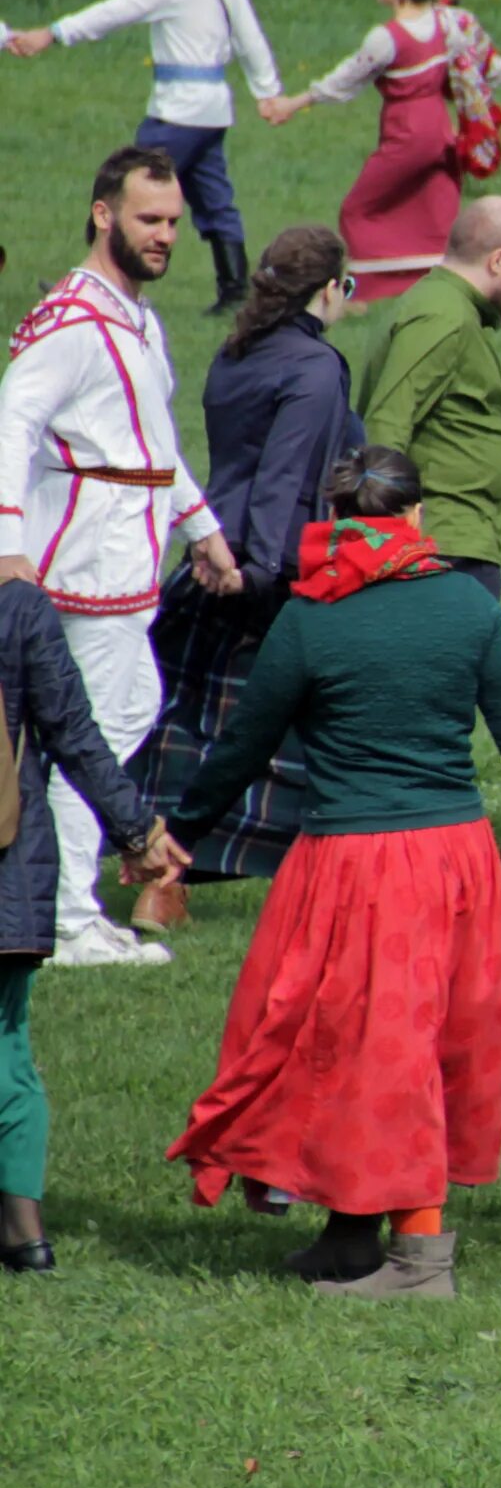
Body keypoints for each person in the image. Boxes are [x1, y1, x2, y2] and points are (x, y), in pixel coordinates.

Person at [166, 446, 501, 1298]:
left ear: (337, 516)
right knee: (408, 1050)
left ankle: (420, 1260)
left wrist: (176, 834)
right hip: (456, 863)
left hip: (353, 866)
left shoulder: (311, 616)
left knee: (353, 1052)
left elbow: (242, 746)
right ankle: (352, 1235)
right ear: (418, 519)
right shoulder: (467, 605)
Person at [0, 147, 246, 968]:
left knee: (125, 711)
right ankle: (65, 918)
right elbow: (12, 420)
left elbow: (153, 442)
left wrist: (200, 527)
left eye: (174, 222)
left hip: (124, 560)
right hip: (82, 563)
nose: (166, 235)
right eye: (149, 219)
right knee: (87, 739)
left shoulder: (134, 316)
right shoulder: (76, 322)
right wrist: (8, 545)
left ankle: (62, 902)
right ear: (104, 213)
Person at [132, 229, 362, 900]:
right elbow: (288, 479)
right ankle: (308, 875)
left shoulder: (236, 354)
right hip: (271, 567)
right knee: (287, 729)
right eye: (344, 287)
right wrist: (260, 571)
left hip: (207, 550)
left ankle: (167, 866)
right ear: (326, 290)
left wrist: (227, 557)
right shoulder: (316, 367)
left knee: (191, 721)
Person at [0, 569, 183, 1273]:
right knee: (8, 1049)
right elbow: (75, 734)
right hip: (9, 871)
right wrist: (138, 835)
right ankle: (25, 1230)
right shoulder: (18, 609)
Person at [8, 0, 281, 312]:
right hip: (213, 111)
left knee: (123, 187)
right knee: (214, 198)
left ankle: (94, 284)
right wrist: (268, 93)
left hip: (177, 112)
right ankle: (234, 292)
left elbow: (113, 11)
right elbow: (251, 39)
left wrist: (54, 32)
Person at [258, 0, 501, 300]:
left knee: (359, 210)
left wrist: (294, 103)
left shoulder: (387, 38)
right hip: (441, 133)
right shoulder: (445, 22)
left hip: (408, 132)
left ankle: (361, 293)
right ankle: (440, 285)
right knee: (434, 211)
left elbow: (347, 78)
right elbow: (482, 56)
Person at [355, 196, 501, 598]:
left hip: (455, 543)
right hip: (440, 549)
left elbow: (490, 428)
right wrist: (385, 535)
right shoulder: (443, 318)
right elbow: (388, 422)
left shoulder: (450, 310)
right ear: (498, 260)